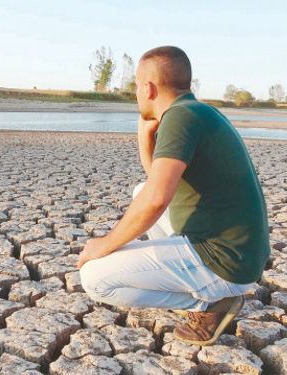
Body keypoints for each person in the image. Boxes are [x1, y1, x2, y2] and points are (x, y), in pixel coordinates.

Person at [77, 45, 270, 346]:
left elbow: (156, 200)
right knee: (141, 190)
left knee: (94, 278)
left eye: (137, 88)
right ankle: (208, 289)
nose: (136, 95)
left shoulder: (180, 119)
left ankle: (209, 305)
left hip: (224, 260)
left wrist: (103, 245)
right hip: (240, 253)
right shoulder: (196, 112)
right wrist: (144, 137)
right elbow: (156, 182)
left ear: (149, 88)